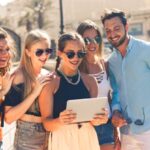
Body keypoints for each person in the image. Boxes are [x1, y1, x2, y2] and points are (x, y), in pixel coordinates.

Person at [39, 32, 108, 150]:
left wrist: (100, 119)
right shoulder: (50, 82)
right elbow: (46, 124)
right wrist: (60, 120)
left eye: (80, 53)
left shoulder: (91, 81)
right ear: (60, 53)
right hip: (62, 139)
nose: (76, 58)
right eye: (70, 54)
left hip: (88, 138)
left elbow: (92, 121)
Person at [101, 8, 150, 150]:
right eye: (108, 30)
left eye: (116, 28)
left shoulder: (146, 50)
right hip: (127, 132)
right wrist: (116, 111)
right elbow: (115, 92)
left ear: (126, 27)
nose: (112, 34)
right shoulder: (111, 61)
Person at [4, 29, 52, 150]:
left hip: (50, 135)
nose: (45, 55)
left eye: (48, 51)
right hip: (28, 138)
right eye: (39, 52)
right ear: (28, 52)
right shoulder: (18, 76)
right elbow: (9, 118)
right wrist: (34, 93)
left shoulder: (48, 74)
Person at [77, 19, 116, 150]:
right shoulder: (76, 68)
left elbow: (109, 97)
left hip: (107, 125)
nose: (92, 44)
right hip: (85, 128)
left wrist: (116, 131)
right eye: (87, 40)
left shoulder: (105, 64)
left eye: (96, 39)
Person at [0, 27, 15, 149]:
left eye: (7, 49)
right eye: (0, 50)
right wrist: (3, 91)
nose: (5, 54)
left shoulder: (3, 75)